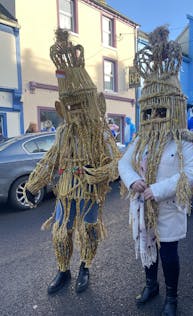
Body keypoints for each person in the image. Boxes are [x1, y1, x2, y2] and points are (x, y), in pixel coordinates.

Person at [118, 26, 193, 316]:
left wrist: (159, 189)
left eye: (159, 112)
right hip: (143, 206)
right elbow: (123, 163)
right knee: (146, 247)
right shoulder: (140, 139)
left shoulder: (184, 140)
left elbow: (191, 171)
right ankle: (151, 285)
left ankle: (172, 297)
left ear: (172, 110)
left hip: (167, 206)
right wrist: (134, 180)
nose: (153, 119)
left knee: (168, 253)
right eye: (148, 113)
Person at [24, 28, 120, 295]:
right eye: (71, 106)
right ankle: (63, 270)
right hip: (66, 188)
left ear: (92, 103)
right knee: (61, 231)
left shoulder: (101, 132)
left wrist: (99, 174)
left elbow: (116, 164)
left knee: (89, 229)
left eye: (80, 105)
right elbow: (50, 159)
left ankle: (85, 268)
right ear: (63, 108)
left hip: (89, 190)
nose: (76, 111)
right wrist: (33, 184)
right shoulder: (63, 132)